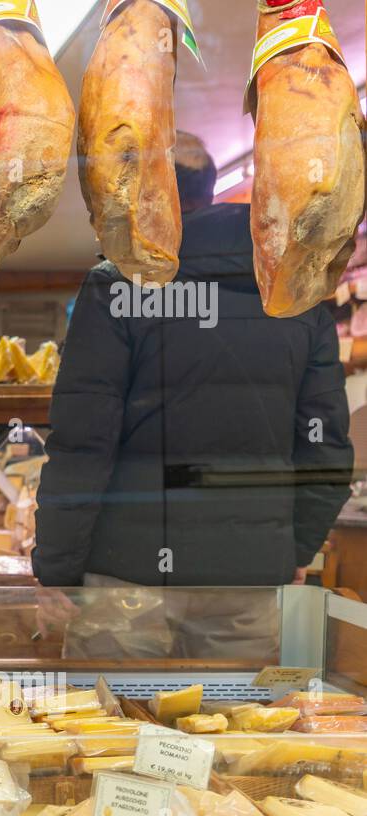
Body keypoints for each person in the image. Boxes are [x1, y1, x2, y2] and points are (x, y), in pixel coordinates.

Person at [32, 131, 354, 659]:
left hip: (126, 582)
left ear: (148, 191)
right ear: (209, 191)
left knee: (113, 737)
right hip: (247, 587)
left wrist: (58, 569)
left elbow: (82, 446)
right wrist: (291, 549)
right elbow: (326, 450)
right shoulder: (293, 290)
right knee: (237, 737)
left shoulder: (119, 285)